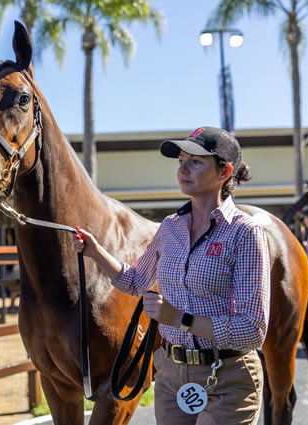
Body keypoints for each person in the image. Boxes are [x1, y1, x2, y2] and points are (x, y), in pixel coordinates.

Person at [72, 127, 271, 424]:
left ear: (224, 172)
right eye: (181, 161)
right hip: (171, 375)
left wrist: (180, 319)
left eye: (196, 162)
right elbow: (136, 281)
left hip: (227, 376)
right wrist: (96, 251)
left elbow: (252, 329)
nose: (183, 170)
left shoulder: (245, 232)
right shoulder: (170, 227)